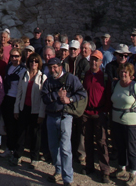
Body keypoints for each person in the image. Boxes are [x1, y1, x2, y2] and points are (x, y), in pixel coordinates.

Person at [41, 57, 87, 186]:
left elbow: (82, 93)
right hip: (51, 116)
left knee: (65, 148)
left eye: (55, 67)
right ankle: (58, 170)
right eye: (50, 67)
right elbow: (44, 98)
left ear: (60, 67)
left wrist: (69, 99)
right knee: (53, 147)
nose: (53, 70)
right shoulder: (48, 81)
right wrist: (57, 95)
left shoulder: (71, 79)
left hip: (65, 117)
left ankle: (68, 178)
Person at [110, 63, 136, 186]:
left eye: (125, 72)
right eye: (121, 71)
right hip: (117, 121)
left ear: (130, 74)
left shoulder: (135, 87)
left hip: (131, 122)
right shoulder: (115, 85)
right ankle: (121, 168)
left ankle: (133, 173)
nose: (123, 74)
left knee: (131, 148)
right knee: (120, 146)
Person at [81, 51, 111, 183]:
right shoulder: (85, 75)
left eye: (96, 60)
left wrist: (105, 111)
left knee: (101, 142)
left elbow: (109, 96)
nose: (94, 62)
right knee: (87, 140)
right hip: (86, 113)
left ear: (100, 62)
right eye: (92, 60)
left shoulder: (104, 77)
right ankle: (89, 166)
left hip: (99, 113)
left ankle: (105, 170)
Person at [12, 53, 46, 168]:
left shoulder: (42, 78)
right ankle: (17, 155)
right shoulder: (23, 75)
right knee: (20, 133)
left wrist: (41, 113)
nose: (33, 64)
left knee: (35, 135)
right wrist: (16, 109)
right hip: (24, 108)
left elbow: (43, 98)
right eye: (32, 61)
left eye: (36, 61)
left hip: (35, 110)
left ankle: (34, 158)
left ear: (39, 63)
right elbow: (19, 94)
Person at [1, 48, 27, 159]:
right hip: (8, 97)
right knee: (8, 125)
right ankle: (9, 148)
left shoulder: (23, 69)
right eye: (12, 56)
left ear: (21, 57)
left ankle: (16, 151)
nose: (14, 58)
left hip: (17, 99)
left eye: (17, 56)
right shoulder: (9, 67)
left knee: (17, 126)